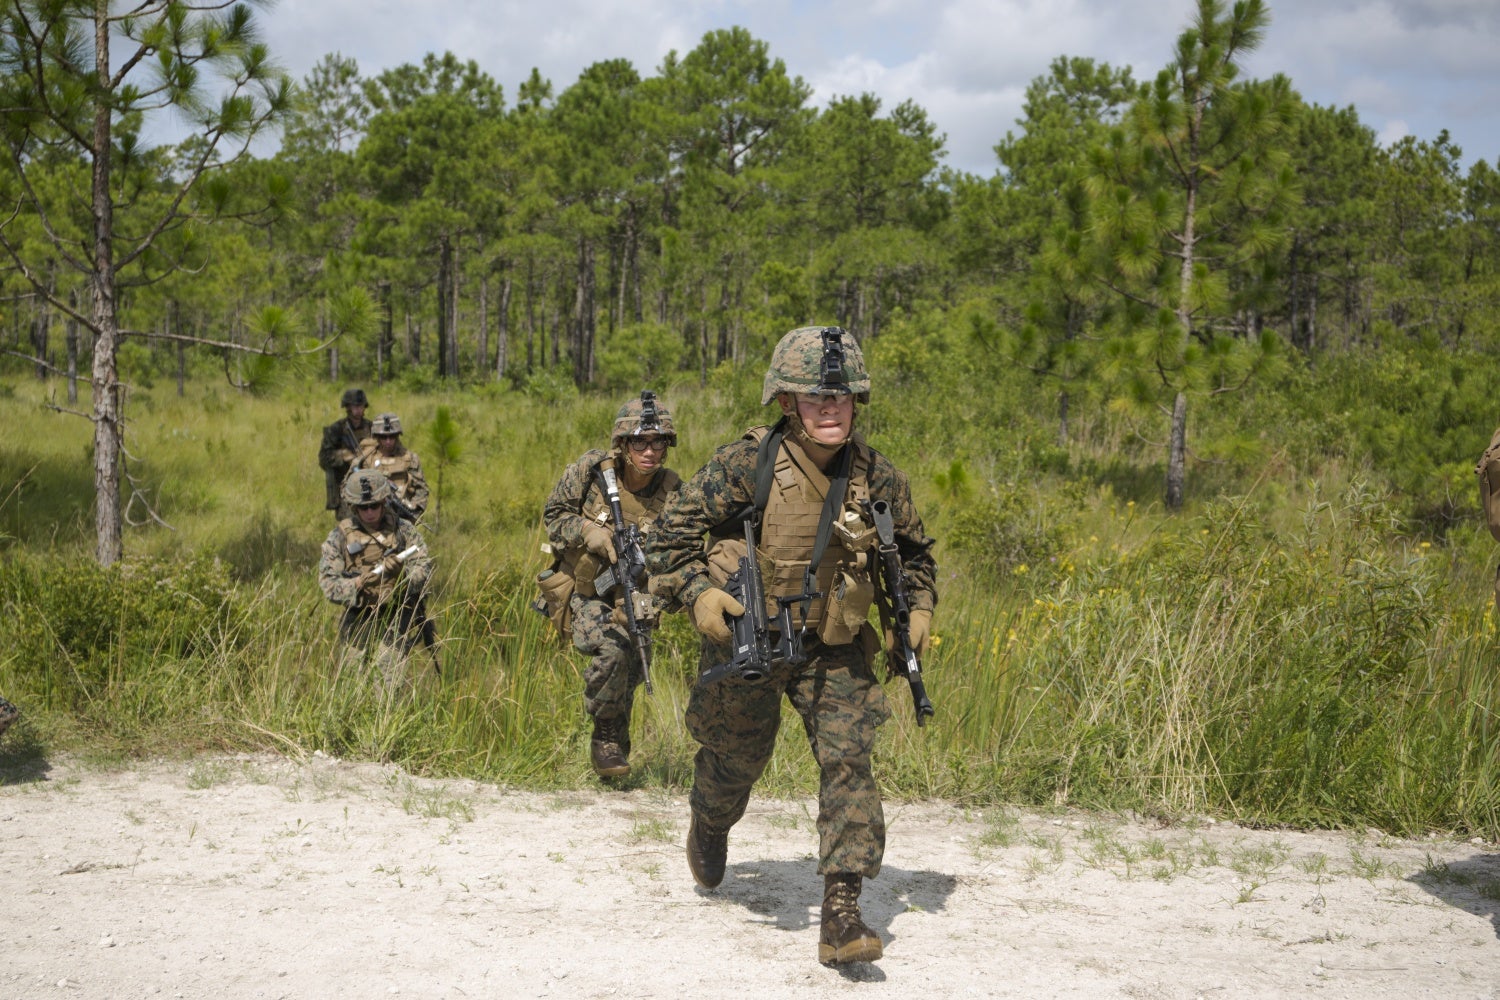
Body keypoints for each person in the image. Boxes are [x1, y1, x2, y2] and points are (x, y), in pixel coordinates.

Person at [644, 326, 937, 966]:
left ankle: (842, 911)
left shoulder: (879, 477)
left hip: (834, 643)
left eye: (841, 397)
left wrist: (915, 612)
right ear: (787, 404)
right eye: (813, 398)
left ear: (858, 402)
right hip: (751, 636)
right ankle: (711, 820)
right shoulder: (744, 466)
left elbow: (913, 557)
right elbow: (664, 542)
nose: (829, 408)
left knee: (848, 760)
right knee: (735, 760)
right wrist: (698, 594)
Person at [542, 390, 682, 778]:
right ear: (622, 444)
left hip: (635, 594)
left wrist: (661, 591)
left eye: (659, 442)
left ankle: (615, 754)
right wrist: (587, 530)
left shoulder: (673, 492)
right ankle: (604, 738)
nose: (650, 451)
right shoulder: (592, 470)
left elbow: (683, 549)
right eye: (640, 441)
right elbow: (554, 515)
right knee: (613, 650)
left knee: (631, 670)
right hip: (584, 591)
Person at [318, 468, 435, 690]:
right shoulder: (340, 536)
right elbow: (327, 583)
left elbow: (424, 568)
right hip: (358, 615)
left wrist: (401, 577)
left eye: (375, 506)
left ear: (384, 502)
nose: (370, 512)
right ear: (354, 507)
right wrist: (358, 583)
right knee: (351, 684)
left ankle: (386, 724)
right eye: (364, 508)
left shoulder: (403, 530)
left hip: (395, 614)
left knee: (388, 684)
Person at [348, 413, 430, 521]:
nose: (388, 441)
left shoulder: (409, 459)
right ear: (376, 436)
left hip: (400, 516)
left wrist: (413, 512)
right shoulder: (364, 458)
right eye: (383, 437)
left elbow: (422, 490)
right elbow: (347, 487)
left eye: (392, 436)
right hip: (369, 516)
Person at [318, 388, 375, 521]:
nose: (358, 409)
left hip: (370, 484)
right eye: (355, 406)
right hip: (345, 488)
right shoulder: (336, 430)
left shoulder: (372, 428)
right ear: (347, 407)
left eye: (360, 406)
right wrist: (343, 456)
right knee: (349, 528)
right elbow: (324, 458)